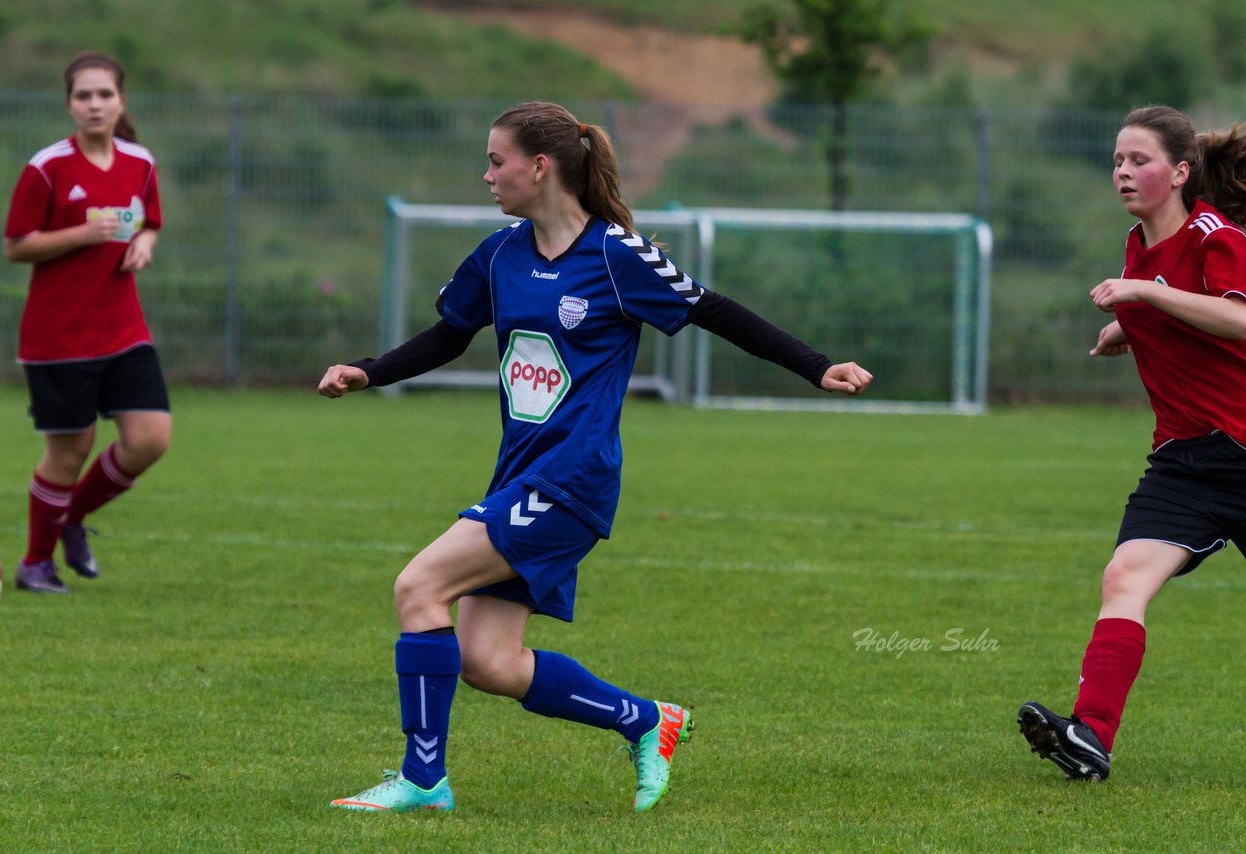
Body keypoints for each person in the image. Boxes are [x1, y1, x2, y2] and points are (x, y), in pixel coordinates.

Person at [318, 101, 873, 813]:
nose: (487, 175)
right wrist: (369, 372)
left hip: (572, 477)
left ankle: (424, 781)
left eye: (497, 160)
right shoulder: (499, 254)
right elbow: (449, 335)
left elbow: (712, 308)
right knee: (489, 662)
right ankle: (648, 720)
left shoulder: (616, 256)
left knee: (418, 588)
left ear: (540, 166)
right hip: (519, 474)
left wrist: (816, 366)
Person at [1019, 105, 1246, 781]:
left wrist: (1145, 296)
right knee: (1124, 577)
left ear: (1179, 172)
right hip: (1186, 463)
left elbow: (1238, 316)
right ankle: (1090, 736)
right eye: (1117, 160)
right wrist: (1132, 324)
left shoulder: (1217, 235)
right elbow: (1179, 306)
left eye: (1138, 160)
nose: (1123, 172)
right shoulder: (1137, 247)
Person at [3, 52, 170, 594]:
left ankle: (70, 520)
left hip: (124, 329)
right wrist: (84, 234)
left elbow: (150, 222)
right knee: (69, 452)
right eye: (83, 96)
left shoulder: (139, 162)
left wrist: (143, 244)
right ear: (69, 104)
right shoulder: (47, 167)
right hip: (58, 338)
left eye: (104, 95)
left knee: (149, 439)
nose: (94, 105)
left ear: (121, 101)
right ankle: (34, 563)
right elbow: (16, 246)